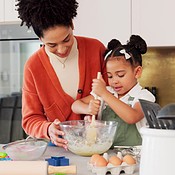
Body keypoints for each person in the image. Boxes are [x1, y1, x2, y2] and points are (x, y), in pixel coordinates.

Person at [16, 0, 106, 149]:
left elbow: (114, 93)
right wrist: (48, 128)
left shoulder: (95, 49)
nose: (62, 49)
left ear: (72, 25)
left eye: (66, 39)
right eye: (52, 45)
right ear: (40, 39)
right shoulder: (33, 67)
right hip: (56, 152)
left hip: (97, 148)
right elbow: (30, 119)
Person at [72, 35, 156, 146]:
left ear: (137, 72)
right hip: (106, 152)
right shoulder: (107, 91)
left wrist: (104, 93)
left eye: (120, 75)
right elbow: (75, 105)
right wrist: (88, 109)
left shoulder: (144, 96)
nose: (114, 81)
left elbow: (132, 117)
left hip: (135, 154)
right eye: (110, 76)